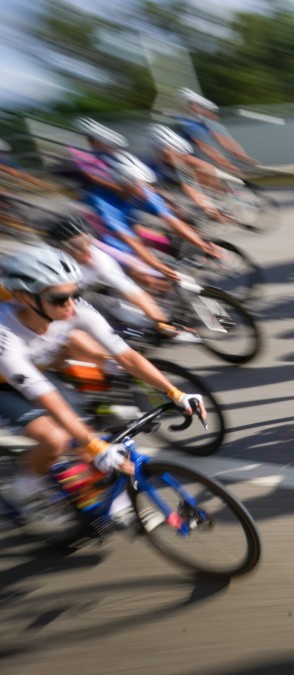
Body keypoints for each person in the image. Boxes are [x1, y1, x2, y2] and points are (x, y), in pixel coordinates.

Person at [0, 245, 205, 525]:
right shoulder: (5, 334)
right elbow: (46, 396)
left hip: (36, 370)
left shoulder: (72, 310)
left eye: (75, 293)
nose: (71, 305)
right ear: (24, 297)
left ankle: (112, 505)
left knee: (86, 430)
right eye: (60, 298)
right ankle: (26, 488)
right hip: (5, 384)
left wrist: (175, 393)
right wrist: (95, 447)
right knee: (57, 438)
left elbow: (127, 356)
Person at [70, 118, 219, 284]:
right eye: (137, 187)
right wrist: (157, 266)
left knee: (169, 223)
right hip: (102, 223)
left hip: (128, 206)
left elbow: (171, 218)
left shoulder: (143, 188)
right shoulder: (105, 203)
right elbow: (131, 241)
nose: (143, 191)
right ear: (124, 185)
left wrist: (202, 244)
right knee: (140, 271)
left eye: (143, 186)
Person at [45, 215, 186, 341]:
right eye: (76, 246)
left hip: (81, 293)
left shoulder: (97, 258)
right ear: (61, 249)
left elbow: (133, 292)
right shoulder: (50, 264)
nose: (86, 250)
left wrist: (161, 321)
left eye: (87, 242)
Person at [175, 87, 258, 173]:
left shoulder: (204, 122)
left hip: (219, 161)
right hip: (206, 164)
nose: (215, 116)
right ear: (192, 107)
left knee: (217, 130)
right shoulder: (190, 125)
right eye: (199, 106)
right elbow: (208, 149)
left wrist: (245, 158)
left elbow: (226, 141)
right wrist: (231, 167)